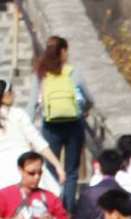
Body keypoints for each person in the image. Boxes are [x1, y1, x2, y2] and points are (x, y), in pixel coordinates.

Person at [0, 80, 64, 201]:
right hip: (27, 166)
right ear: (5, 96)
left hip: (3, 174)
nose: (14, 94)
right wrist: (57, 165)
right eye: (11, 92)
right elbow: (37, 141)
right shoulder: (18, 115)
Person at [33, 36, 90, 210]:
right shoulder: (74, 72)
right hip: (74, 124)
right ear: (63, 51)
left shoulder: (41, 74)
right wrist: (84, 111)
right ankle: (68, 210)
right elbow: (89, 98)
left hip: (50, 126)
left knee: (50, 169)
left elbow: (32, 104)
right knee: (71, 171)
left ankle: (52, 207)